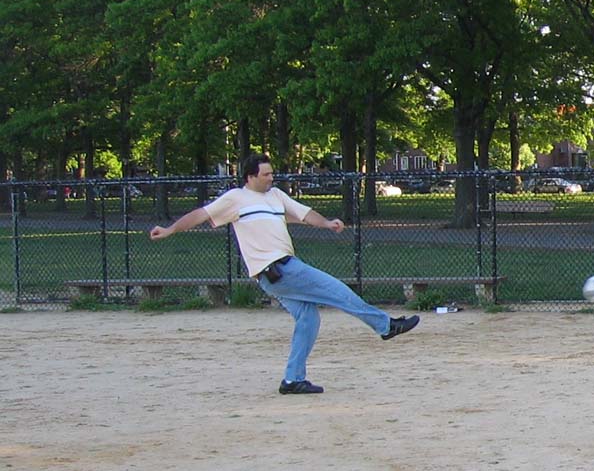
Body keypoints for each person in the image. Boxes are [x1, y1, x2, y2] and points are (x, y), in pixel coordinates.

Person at [149, 153, 420, 395]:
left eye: (271, 173)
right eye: (266, 174)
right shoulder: (236, 199)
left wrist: (326, 223)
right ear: (250, 176)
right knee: (337, 291)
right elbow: (200, 214)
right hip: (279, 269)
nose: (271, 177)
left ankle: (292, 380)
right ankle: (385, 326)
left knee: (308, 318)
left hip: (280, 272)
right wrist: (171, 229)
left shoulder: (276, 196)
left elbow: (302, 214)